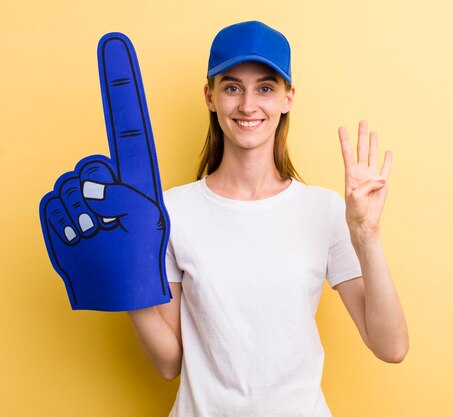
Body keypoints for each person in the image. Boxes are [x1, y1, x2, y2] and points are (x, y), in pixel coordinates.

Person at [128, 20, 408, 416]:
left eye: (264, 88)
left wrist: (367, 235)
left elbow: (391, 347)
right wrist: (125, 282)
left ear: (288, 97)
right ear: (210, 96)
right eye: (231, 87)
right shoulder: (171, 212)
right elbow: (169, 362)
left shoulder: (325, 210)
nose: (247, 105)